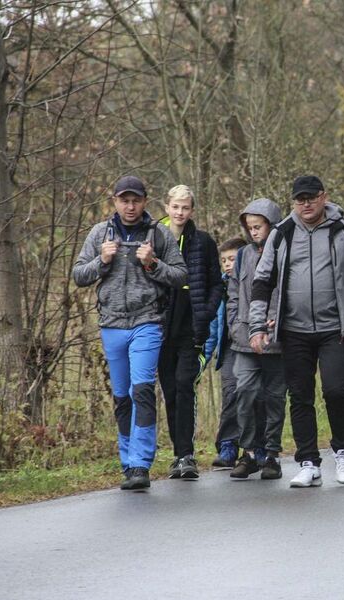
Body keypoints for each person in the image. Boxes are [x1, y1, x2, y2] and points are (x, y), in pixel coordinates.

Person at [249, 176, 344, 488]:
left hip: (337, 327)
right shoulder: (282, 233)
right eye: (299, 199)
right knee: (300, 395)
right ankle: (308, 462)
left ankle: (343, 451)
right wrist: (256, 325)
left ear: (324, 197)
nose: (305, 204)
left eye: (311, 197)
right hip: (294, 329)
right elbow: (262, 281)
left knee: (337, 390)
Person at [72, 175, 187, 490]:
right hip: (111, 324)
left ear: (145, 201)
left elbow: (180, 275)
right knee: (122, 396)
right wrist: (102, 260)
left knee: (142, 390)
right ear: (115, 202)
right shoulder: (99, 233)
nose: (131, 206)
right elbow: (79, 275)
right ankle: (127, 462)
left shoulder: (158, 234)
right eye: (125, 200)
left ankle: (140, 464)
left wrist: (152, 264)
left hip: (147, 322)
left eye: (136, 200)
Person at [158, 185, 225, 480]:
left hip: (192, 323)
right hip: (159, 324)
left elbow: (216, 283)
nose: (180, 213)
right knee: (170, 389)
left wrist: (206, 313)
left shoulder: (203, 242)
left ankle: (187, 455)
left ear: (192, 210)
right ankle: (178, 453)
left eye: (185, 208)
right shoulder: (154, 238)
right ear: (166, 207)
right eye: (175, 207)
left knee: (186, 383)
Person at [228, 198, 288, 480]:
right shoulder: (242, 255)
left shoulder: (286, 251)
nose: (253, 232)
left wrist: (278, 317)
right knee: (246, 391)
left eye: (258, 226)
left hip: (277, 339)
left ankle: (272, 455)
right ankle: (249, 452)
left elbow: (289, 290)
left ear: (272, 225)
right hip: (244, 338)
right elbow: (234, 293)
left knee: (274, 397)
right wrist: (233, 322)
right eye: (249, 227)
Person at [205, 235, 248, 470]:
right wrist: (204, 356)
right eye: (224, 261)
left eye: (233, 259)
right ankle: (228, 444)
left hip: (253, 346)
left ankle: (256, 447)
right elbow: (213, 326)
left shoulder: (255, 282)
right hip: (230, 348)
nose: (228, 264)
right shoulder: (220, 288)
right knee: (231, 392)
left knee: (253, 395)